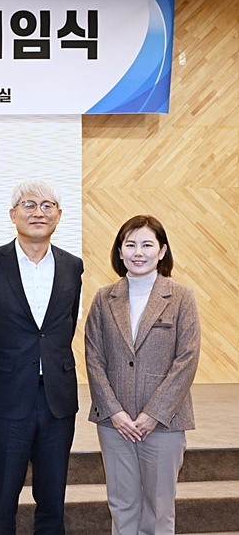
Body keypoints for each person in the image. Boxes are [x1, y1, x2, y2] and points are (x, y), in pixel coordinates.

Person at [0, 180, 83, 534]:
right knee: (3, 499)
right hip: (7, 396)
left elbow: (64, 324)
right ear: (13, 214)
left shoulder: (72, 266)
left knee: (52, 498)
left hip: (57, 399)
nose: (39, 212)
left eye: (47, 206)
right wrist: (4, 367)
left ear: (59, 215)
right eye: (29, 205)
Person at [85, 215, 200, 534]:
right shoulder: (104, 298)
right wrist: (115, 412)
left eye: (147, 245)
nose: (138, 252)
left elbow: (187, 360)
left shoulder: (181, 297)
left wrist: (153, 414)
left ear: (161, 251)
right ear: (119, 252)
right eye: (130, 244)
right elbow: (94, 358)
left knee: (159, 508)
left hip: (164, 423)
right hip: (115, 424)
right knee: (121, 505)